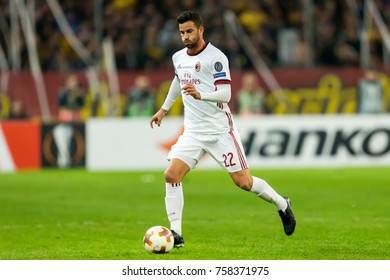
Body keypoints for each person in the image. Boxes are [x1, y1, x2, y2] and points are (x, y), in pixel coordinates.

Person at [149, 11, 296, 248]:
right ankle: (176, 234)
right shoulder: (178, 57)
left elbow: (226, 94)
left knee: (244, 183)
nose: (185, 36)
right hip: (193, 132)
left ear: (200, 30)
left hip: (219, 132)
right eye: (182, 33)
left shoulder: (216, 58)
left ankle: (282, 203)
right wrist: (164, 109)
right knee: (171, 175)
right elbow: (178, 80)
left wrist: (201, 95)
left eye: (189, 31)